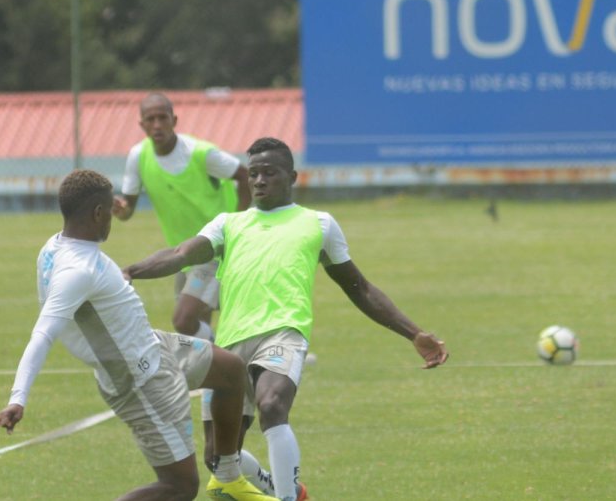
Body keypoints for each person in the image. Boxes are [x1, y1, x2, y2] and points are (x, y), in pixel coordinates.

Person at [124, 137, 450, 501]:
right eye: (254, 174)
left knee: (272, 404)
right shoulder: (228, 224)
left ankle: (285, 499)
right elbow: (181, 253)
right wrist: (131, 271)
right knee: (218, 457)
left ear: (292, 176)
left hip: (283, 334)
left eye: (269, 173)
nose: (259, 180)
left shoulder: (319, 224)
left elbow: (361, 288)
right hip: (230, 347)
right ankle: (292, 491)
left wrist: (414, 334)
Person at [0, 169, 277, 501]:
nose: (113, 218)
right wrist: (17, 398)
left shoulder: (55, 247)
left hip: (155, 345)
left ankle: (228, 476)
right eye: (110, 211)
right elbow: (42, 334)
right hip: (141, 380)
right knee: (180, 487)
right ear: (99, 212)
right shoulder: (76, 271)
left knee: (231, 370)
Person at [113, 92, 251, 341]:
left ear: (174, 120)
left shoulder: (201, 153)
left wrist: (240, 224)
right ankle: (223, 367)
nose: (157, 125)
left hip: (214, 248)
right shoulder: (138, 156)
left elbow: (245, 176)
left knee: (183, 319)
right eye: (150, 119)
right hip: (181, 255)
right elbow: (128, 209)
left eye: (162, 118)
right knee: (195, 329)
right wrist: (118, 210)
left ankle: (230, 355)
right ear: (141, 124)